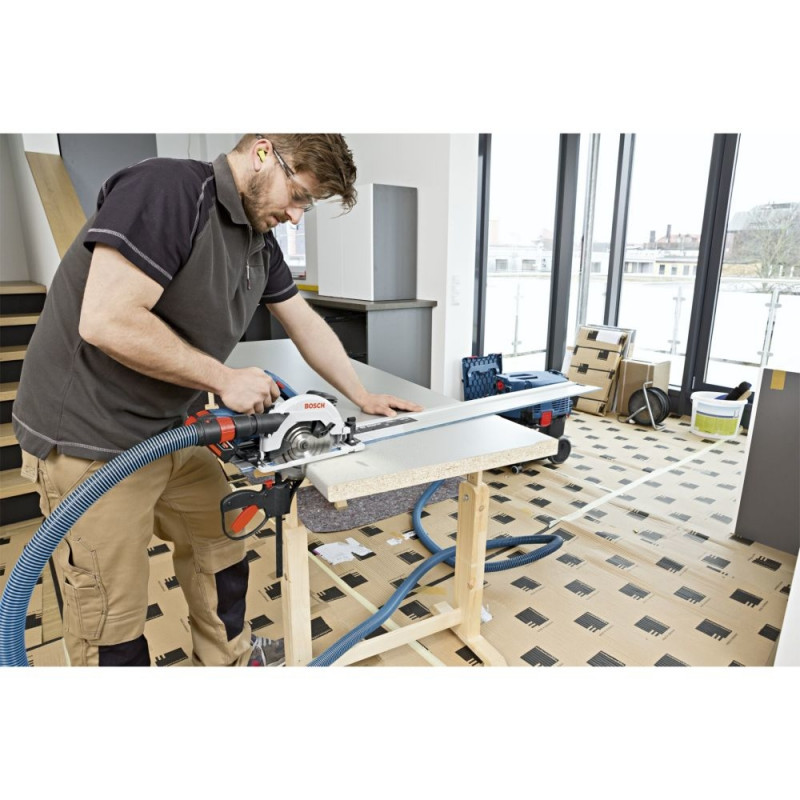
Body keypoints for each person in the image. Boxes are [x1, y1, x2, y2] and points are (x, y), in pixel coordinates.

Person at [12, 133, 423, 667]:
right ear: (262, 153)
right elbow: (107, 320)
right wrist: (223, 378)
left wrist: (360, 394)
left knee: (222, 542)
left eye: (307, 206)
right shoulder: (168, 190)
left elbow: (303, 323)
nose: (296, 217)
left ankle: (229, 660)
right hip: (91, 437)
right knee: (111, 610)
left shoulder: (259, 240)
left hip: (172, 430)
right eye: (298, 196)